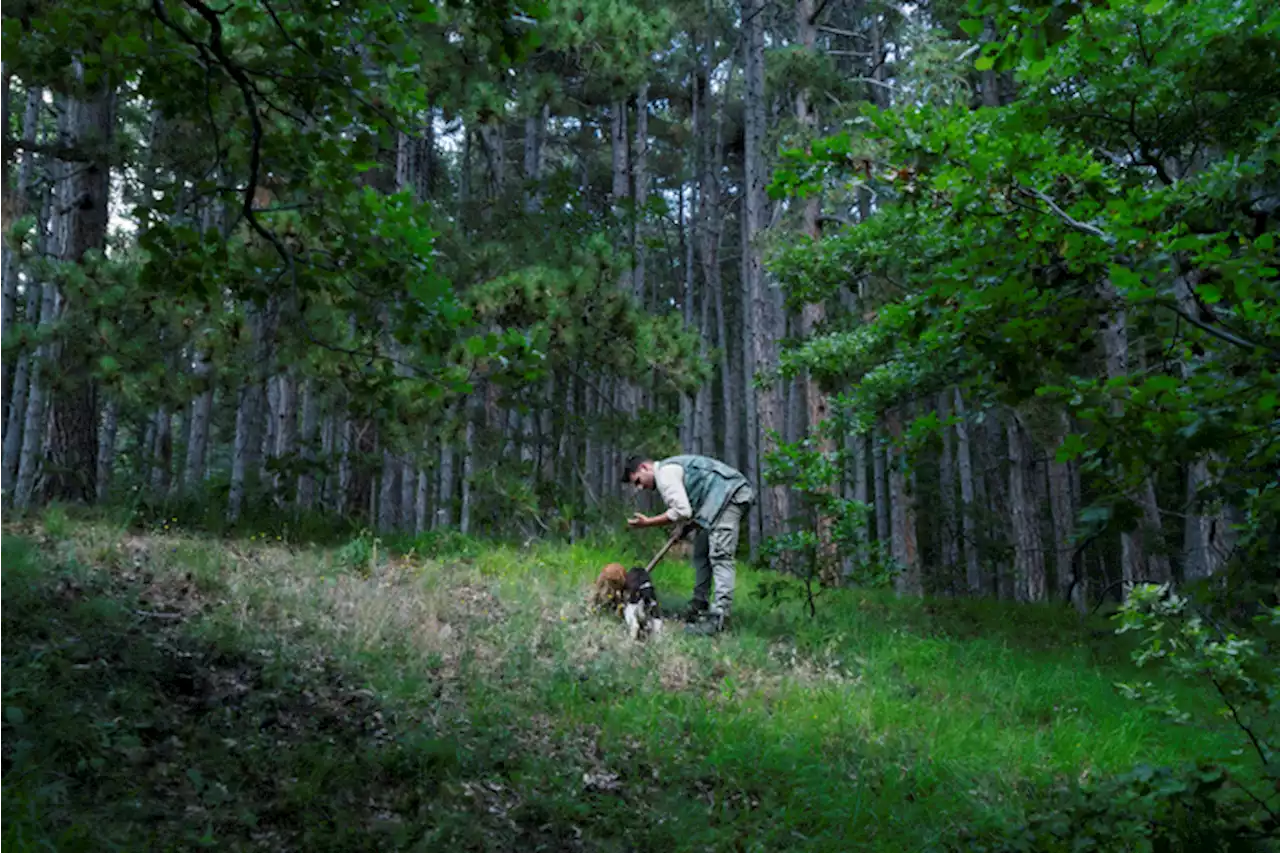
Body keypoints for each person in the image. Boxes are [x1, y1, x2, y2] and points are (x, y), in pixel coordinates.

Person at [622, 453, 754, 636]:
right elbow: (693, 505)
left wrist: (649, 522)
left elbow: (682, 510)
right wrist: (684, 529)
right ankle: (698, 607)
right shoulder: (670, 471)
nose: (640, 487)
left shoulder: (665, 474)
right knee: (701, 553)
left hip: (730, 494)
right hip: (715, 502)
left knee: (720, 556)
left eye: (638, 481)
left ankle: (719, 618)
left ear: (645, 468)